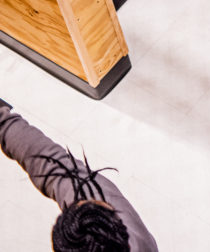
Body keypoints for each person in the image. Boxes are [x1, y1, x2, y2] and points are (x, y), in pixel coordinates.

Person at [0, 98, 158, 251]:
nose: (89, 200)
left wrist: (3, 121)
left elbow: (51, 165)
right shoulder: (133, 240)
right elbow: (53, 167)